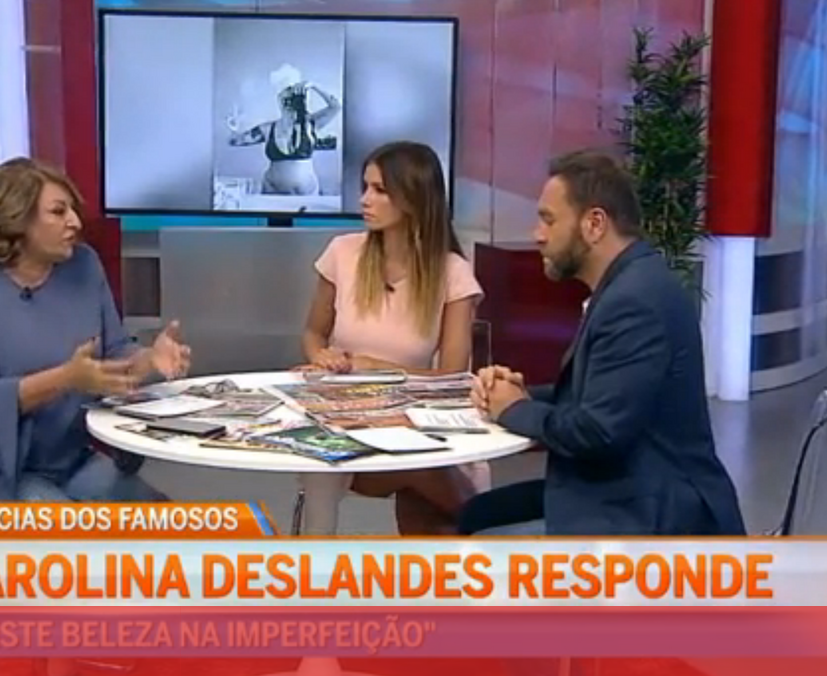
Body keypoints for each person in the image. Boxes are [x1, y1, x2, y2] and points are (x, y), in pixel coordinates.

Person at [463, 150, 746, 536]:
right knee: (472, 513)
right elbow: (598, 396)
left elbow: (597, 433)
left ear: (595, 224)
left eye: (548, 219)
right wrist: (519, 392)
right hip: (624, 492)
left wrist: (514, 409)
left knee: (472, 528)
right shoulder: (629, 284)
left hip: (651, 515)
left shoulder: (635, 300)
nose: (537, 235)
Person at [0, 157, 191, 502]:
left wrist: (150, 359)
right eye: (58, 212)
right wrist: (66, 378)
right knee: (71, 533)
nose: (74, 222)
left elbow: (113, 354)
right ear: (17, 219)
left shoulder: (84, 264)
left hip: (68, 463)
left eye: (73, 210)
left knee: (170, 521)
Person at [298, 141, 486, 535]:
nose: (364, 200)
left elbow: (454, 377)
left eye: (380, 190)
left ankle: (480, 524)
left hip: (410, 417)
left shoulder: (452, 272)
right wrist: (321, 356)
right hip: (344, 414)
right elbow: (314, 333)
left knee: (426, 464)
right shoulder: (342, 252)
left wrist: (378, 368)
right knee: (321, 460)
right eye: (365, 187)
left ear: (414, 198)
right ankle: (312, 563)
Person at [227, 64, 340, 196]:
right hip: (272, 191)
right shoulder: (268, 129)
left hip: (306, 194)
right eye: (286, 99)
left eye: (294, 99)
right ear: (279, 101)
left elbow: (336, 107)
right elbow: (235, 141)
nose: (290, 103)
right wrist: (233, 126)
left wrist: (314, 85)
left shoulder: (310, 124)